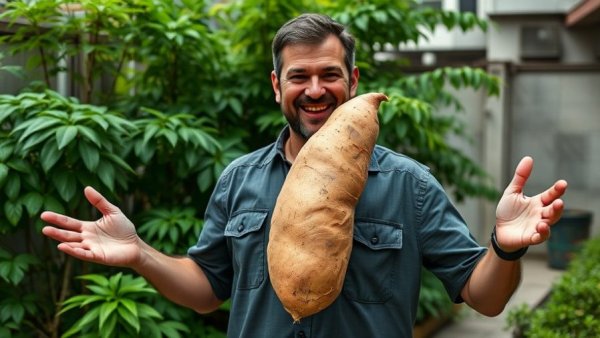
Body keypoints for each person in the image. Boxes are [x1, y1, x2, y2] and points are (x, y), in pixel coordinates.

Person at [41, 13, 568, 338]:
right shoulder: (238, 179)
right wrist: (141, 254)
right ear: (277, 86)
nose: (315, 89)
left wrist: (506, 248)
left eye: (330, 74)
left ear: (353, 81)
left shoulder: (409, 184)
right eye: (300, 76)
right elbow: (206, 291)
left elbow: (486, 299)